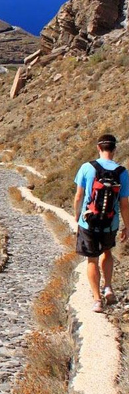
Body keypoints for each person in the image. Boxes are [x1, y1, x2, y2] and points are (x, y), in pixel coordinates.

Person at [73, 134, 129, 313]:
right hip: (110, 223)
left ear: (99, 148)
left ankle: (97, 300)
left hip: (88, 221)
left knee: (92, 259)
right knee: (107, 252)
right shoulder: (122, 172)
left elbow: (79, 196)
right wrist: (127, 226)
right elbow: (124, 204)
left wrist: (77, 216)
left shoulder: (86, 168)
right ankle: (108, 287)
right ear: (114, 149)